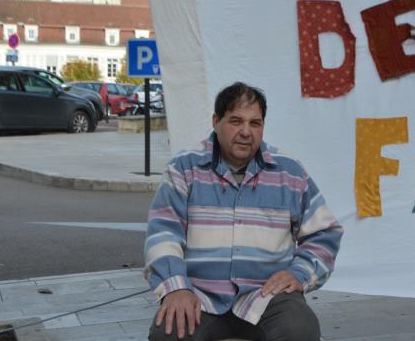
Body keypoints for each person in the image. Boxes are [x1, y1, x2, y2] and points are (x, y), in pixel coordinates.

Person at [146, 82, 343, 340]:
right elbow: (163, 234)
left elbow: (324, 233)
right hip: (199, 296)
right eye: (236, 121)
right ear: (216, 122)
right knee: (169, 333)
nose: (246, 132)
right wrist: (175, 288)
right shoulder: (183, 168)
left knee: (300, 329)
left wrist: (299, 274)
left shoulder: (289, 172)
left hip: (266, 298)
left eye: (255, 123)